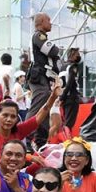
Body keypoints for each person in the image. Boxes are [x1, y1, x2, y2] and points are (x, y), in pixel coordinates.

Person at [0, 91, 59, 168]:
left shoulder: (18, 130)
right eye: (5, 115)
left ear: (17, 119)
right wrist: (29, 157)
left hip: (15, 170)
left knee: (41, 164)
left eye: (13, 116)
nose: (9, 119)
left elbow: (38, 117)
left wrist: (53, 97)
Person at [26, 13, 61, 146]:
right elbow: (52, 51)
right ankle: (25, 137)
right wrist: (56, 50)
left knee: (45, 107)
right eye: (48, 20)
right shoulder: (38, 36)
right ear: (41, 21)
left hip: (44, 78)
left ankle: (41, 142)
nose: (51, 23)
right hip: (38, 77)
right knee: (39, 105)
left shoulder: (41, 37)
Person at [60, 48, 82, 131]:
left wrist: (61, 97)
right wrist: (63, 96)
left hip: (65, 97)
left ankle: (65, 137)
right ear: (72, 55)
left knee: (65, 121)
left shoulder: (63, 66)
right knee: (69, 123)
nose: (79, 56)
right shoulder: (73, 66)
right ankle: (67, 138)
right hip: (72, 97)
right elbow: (70, 82)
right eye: (77, 54)